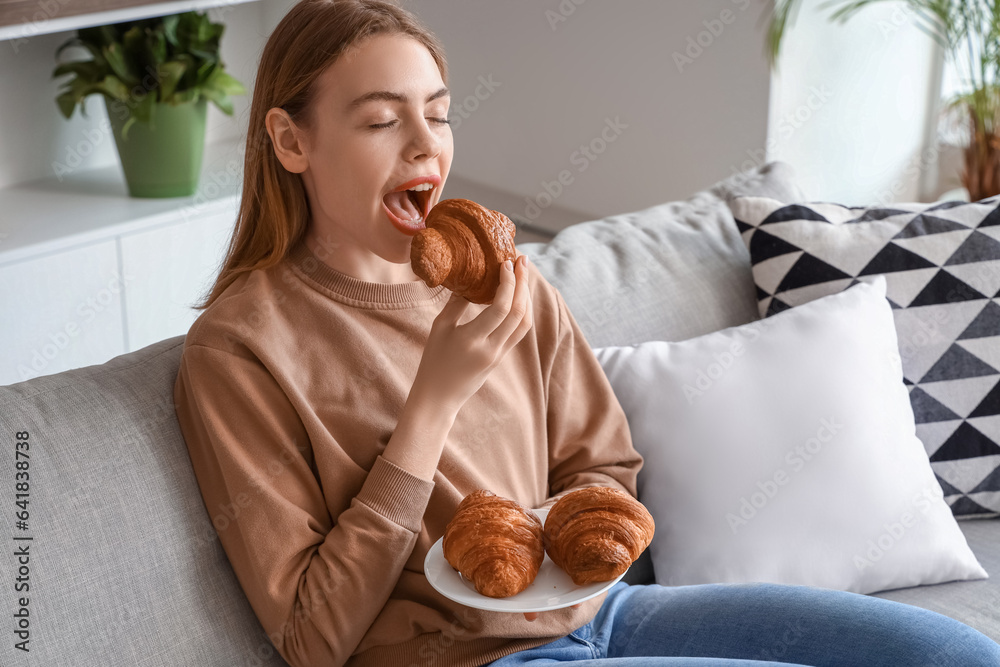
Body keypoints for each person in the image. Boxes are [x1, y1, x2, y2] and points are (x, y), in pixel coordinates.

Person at [172, 1, 1000, 666]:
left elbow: (602, 465)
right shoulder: (239, 350)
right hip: (470, 659)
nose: (428, 144)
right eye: (383, 121)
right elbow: (314, 637)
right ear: (290, 140)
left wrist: (586, 534)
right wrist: (432, 405)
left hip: (610, 613)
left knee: (950, 651)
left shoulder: (506, 280)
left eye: (438, 113)